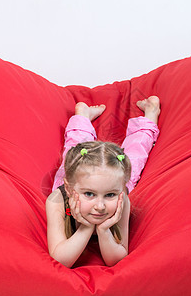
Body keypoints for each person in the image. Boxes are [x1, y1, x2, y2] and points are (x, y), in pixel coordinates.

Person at [46, 96, 161, 268]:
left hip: (113, 179)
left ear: (120, 190)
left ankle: (150, 114)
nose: (100, 206)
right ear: (70, 190)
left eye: (110, 195)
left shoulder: (122, 199)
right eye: (89, 194)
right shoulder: (57, 200)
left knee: (135, 156)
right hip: (75, 179)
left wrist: (103, 230)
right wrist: (86, 228)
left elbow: (116, 259)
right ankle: (82, 115)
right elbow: (60, 260)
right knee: (75, 148)